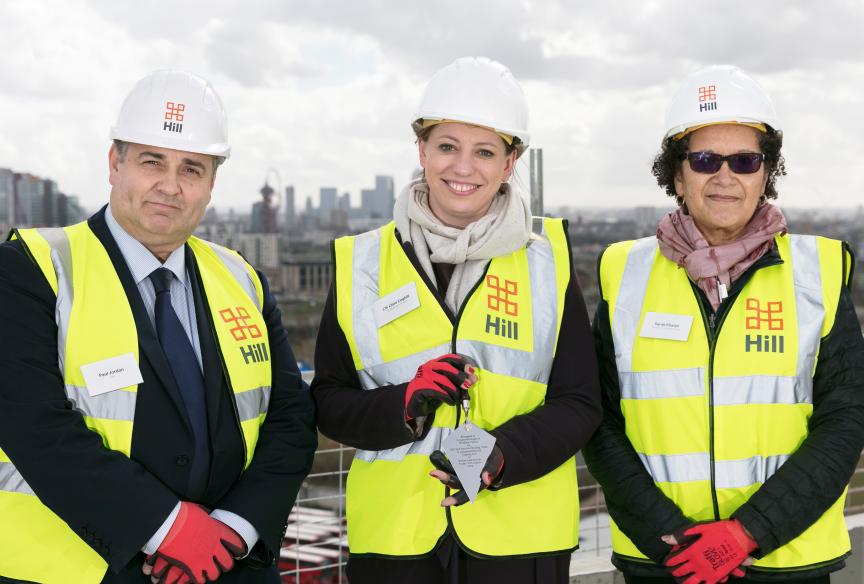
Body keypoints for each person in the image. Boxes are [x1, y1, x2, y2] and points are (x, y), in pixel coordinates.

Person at [0, 70, 317, 584]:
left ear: (212, 184)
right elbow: (34, 429)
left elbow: (291, 418)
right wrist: (165, 528)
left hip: (228, 567)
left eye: (192, 168)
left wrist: (234, 530)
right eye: (152, 162)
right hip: (81, 570)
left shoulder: (242, 278)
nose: (170, 186)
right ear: (114, 164)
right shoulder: (31, 269)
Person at [311, 56, 602, 584]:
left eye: (485, 152)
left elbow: (580, 401)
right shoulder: (361, 263)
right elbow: (329, 403)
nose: (463, 168)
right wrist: (398, 405)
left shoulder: (548, 260)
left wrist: (501, 454)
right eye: (447, 147)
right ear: (421, 150)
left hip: (520, 545)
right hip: (396, 543)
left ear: (510, 162)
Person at [584, 64, 864, 584]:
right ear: (677, 173)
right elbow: (599, 421)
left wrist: (748, 532)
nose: (725, 176)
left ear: (766, 172)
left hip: (784, 562)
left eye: (745, 160)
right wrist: (672, 537)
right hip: (664, 561)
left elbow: (845, 421)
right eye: (706, 159)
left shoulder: (819, 272)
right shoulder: (623, 272)